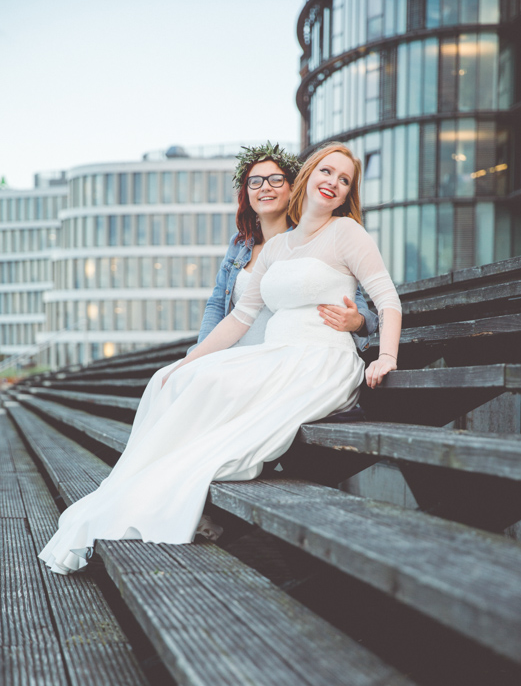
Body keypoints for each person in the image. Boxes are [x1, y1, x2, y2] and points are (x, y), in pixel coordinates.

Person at [39, 142, 401, 575]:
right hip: (275, 355)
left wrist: (386, 355)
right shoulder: (277, 247)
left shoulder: (347, 233)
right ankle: (142, 486)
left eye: (344, 180)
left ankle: (176, 496)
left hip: (319, 358)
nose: (334, 183)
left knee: (213, 393)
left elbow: (387, 302)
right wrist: (188, 361)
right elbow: (237, 318)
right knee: (173, 380)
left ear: (346, 194)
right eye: (327, 172)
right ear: (308, 176)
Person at [192, 141, 377, 353]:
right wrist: (198, 356)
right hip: (236, 356)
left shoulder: (314, 239)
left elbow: (352, 298)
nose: (265, 187)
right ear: (247, 193)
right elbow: (217, 305)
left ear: (293, 188)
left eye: (276, 180)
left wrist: (360, 321)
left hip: (288, 358)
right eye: (255, 182)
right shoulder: (239, 246)